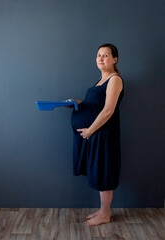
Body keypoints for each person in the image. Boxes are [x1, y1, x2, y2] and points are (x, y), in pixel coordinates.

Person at [70, 43, 124, 226]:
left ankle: (105, 214)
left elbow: (108, 110)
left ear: (114, 59)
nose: (101, 58)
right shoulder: (100, 80)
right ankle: (102, 211)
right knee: (97, 170)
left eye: (106, 55)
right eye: (99, 55)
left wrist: (90, 130)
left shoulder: (115, 79)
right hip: (95, 134)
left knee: (104, 173)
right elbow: (94, 105)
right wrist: (78, 103)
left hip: (104, 134)